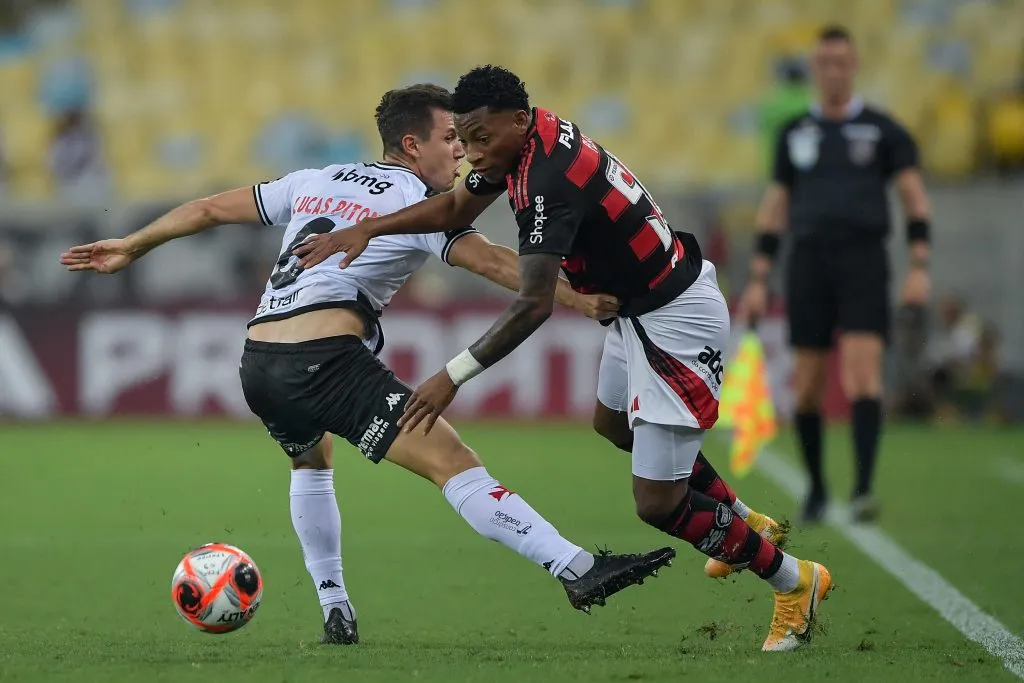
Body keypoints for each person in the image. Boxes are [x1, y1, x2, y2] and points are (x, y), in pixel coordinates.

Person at [59, 84, 675, 645]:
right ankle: (576, 569)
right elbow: (494, 263)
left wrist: (132, 244)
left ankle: (336, 608)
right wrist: (578, 297)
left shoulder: (314, 180)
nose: (460, 154)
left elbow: (209, 209)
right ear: (412, 145)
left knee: (311, 458)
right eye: (449, 140)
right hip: (322, 359)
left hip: (259, 363)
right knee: (453, 463)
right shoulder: (416, 199)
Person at [294, 66, 832, 653]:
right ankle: (742, 520)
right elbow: (452, 211)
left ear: (517, 122)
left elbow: (532, 305)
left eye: (479, 139)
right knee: (612, 424)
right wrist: (370, 228)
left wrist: (450, 378)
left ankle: (793, 580)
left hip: (674, 322)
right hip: (637, 311)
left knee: (658, 503)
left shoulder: (546, 178)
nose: (471, 155)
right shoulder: (527, 143)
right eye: (464, 140)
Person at [738, 26, 933, 524]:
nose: (833, 71)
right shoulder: (796, 133)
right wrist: (759, 278)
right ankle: (819, 490)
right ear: (815, 68)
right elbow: (775, 206)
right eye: (824, 63)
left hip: (864, 260)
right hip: (808, 262)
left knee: (863, 374)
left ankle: (863, 488)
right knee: (807, 385)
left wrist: (919, 266)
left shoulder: (884, 130)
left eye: (842, 62)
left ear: (855, 66)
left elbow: (914, 197)